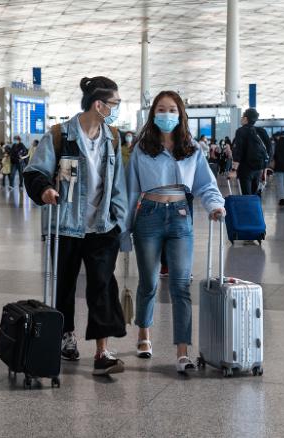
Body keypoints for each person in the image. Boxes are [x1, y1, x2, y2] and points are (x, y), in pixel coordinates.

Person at [24, 76, 128, 376]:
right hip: (66, 224)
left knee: (103, 284)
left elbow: (117, 183)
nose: (116, 109)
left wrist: (119, 222)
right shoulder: (60, 135)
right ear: (99, 104)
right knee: (64, 285)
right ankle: (66, 335)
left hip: (102, 226)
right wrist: (45, 189)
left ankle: (101, 350)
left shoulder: (113, 137)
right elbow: (34, 171)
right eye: (114, 104)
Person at [123, 90, 225, 373]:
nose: (166, 114)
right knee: (149, 283)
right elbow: (131, 190)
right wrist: (124, 229)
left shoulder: (191, 148)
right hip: (148, 217)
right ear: (153, 114)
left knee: (181, 284)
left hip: (181, 217)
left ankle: (182, 351)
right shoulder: (142, 149)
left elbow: (205, 184)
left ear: (180, 114)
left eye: (171, 110)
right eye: (161, 109)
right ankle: (144, 333)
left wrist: (215, 205)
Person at [230, 108, 270, 195]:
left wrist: (234, 169)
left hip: (245, 168)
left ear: (245, 118)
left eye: (242, 117)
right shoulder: (261, 131)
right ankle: (255, 208)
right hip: (258, 167)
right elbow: (269, 149)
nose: (241, 119)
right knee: (255, 193)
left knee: (247, 194)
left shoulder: (241, 131)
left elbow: (238, 151)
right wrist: (265, 170)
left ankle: (248, 208)